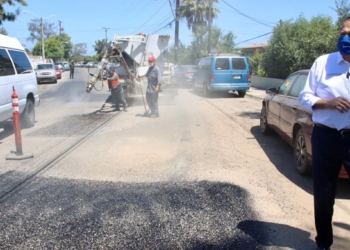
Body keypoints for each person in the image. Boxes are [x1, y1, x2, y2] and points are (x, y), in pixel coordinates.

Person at [298, 17, 350, 250]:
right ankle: (323, 243)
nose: (345, 37)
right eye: (342, 33)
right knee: (324, 193)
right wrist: (328, 103)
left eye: (349, 33)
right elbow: (304, 96)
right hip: (326, 137)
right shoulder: (323, 63)